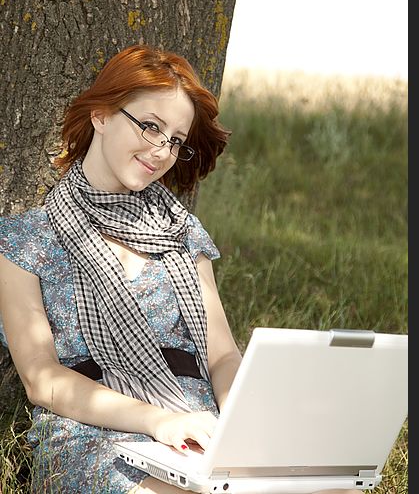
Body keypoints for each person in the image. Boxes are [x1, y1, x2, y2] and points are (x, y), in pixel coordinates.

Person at [0, 45, 359, 494]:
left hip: (197, 421)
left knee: (333, 488)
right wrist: (159, 422)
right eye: (150, 126)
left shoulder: (182, 232)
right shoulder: (24, 240)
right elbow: (41, 380)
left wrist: (243, 427)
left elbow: (223, 356)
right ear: (102, 115)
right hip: (94, 432)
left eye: (174, 140)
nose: (161, 151)